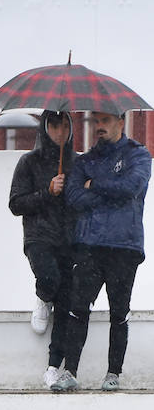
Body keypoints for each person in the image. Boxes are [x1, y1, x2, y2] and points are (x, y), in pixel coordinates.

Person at [52, 110, 150, 392]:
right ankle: (69, 371)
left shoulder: (138, 155)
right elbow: (73, 196)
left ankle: (113, 372)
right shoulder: (85, 160)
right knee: (78, 308)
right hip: (90, 243)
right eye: (96, 121)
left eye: (105, 121)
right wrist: (107, 191)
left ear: (121, 122)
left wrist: (94, 185)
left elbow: (132, 187)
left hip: (124, 245)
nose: (99, 126)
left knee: (119, 311)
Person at [9, 110, 77, 387]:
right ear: (45, 128)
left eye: (64, 126)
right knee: (49, 278)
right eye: (53, 125)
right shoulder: (29, 162)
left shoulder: (78, 163)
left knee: (66, 302)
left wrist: (77, 189)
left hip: (69, 240)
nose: (59, 132)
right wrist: (47, 192)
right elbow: (16, 203)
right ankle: (42, 296)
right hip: (39, 237)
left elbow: (84, 202)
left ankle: (54, 365)